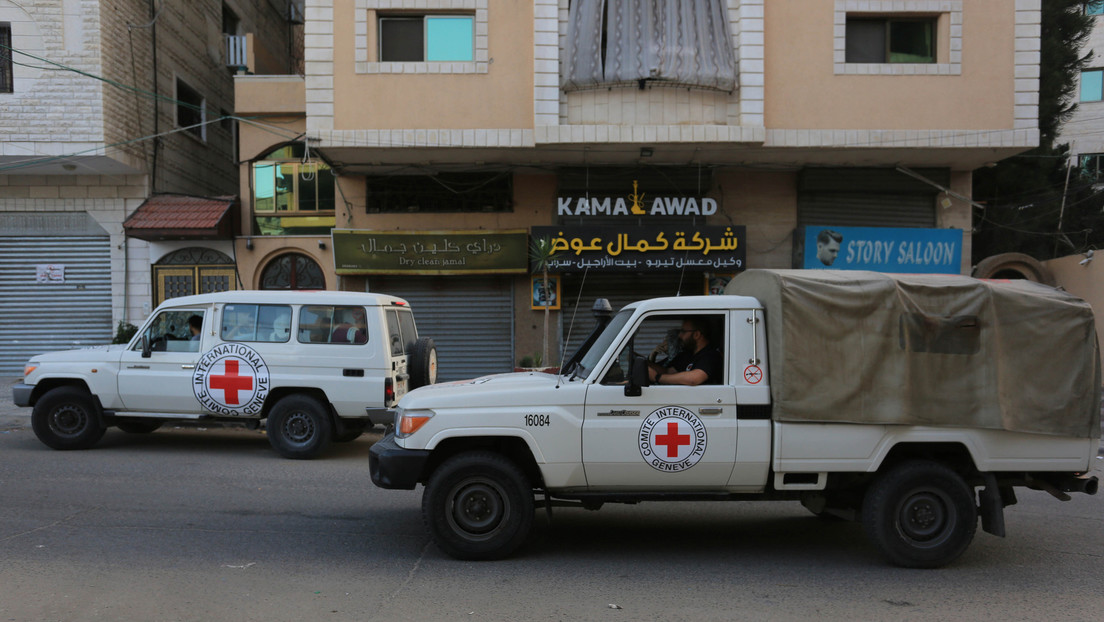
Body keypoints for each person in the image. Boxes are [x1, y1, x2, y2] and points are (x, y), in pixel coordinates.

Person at [647, 317, 723, 386]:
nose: (679, 335)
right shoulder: (687, 355)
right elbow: (669, 371)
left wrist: (657, 377)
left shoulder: (711, 356)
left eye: (683, 331)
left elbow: (694, 378)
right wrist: (642, 364)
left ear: (696, 334)